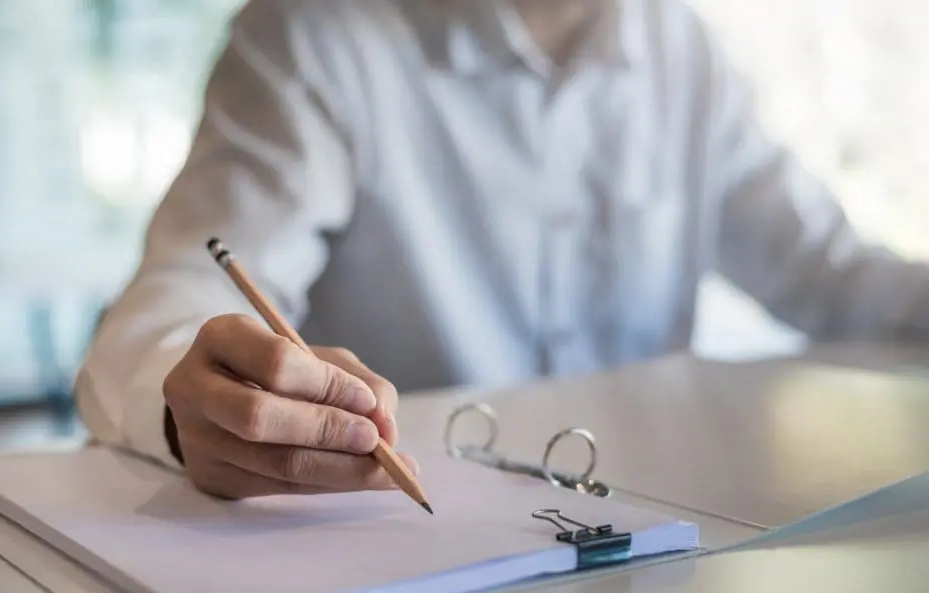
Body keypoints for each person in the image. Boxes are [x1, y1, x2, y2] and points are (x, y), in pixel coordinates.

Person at [75, 0, 929, 501]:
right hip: (404, 577)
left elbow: (834, 274)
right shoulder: (315, 34)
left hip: (659, 546)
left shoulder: (679, 45)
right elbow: (174, 300)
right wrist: (193, 404)